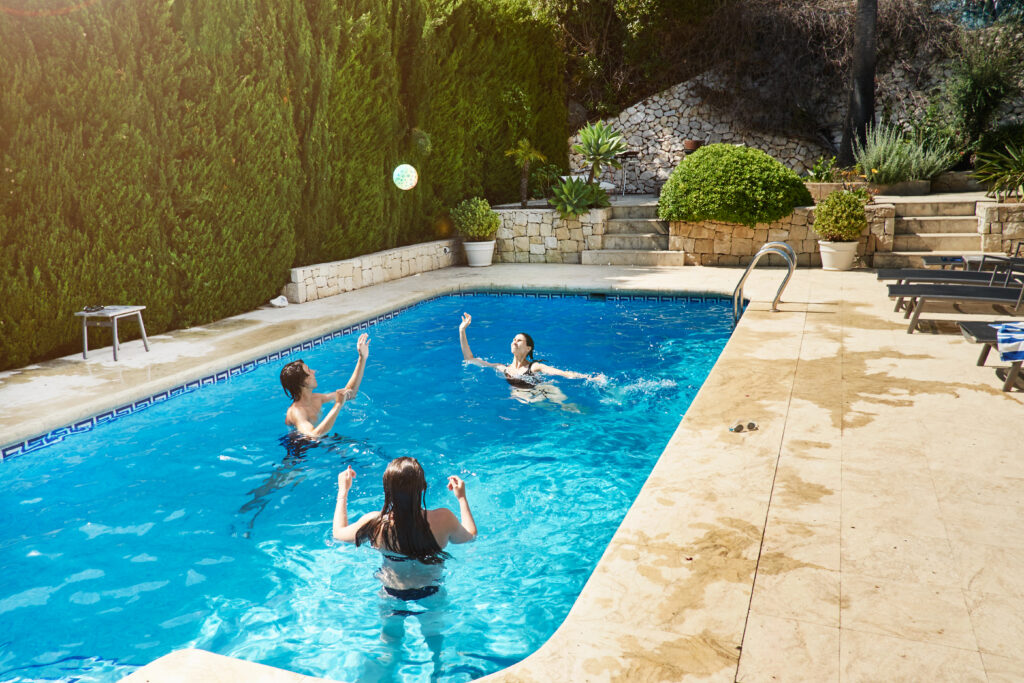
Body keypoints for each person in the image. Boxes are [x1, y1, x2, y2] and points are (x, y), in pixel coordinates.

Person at [332, 457, 477, 597]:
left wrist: (343, 491)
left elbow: (338, 534)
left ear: (387, 489)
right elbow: (470, 537)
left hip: (392, 591)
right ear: (423, 487)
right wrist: (462, 498)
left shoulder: (375, 523)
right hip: (432, 590)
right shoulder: (443, 518)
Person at [457, 312, 598, 405]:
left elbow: (563, 373)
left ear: (528, 348)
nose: (514, 342)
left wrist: (589, 378)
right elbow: (469, 359)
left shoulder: (534, 367)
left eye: (519, 340)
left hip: (544, 391)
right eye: (513, 339)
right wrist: (462, 331)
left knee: (570, 408)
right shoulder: (503, 368)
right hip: (525, 397)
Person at [279, 333, 369, 438]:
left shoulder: (317, 398)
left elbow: (350, 393)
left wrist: (362, 358)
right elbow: (313, 435)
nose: (314, 371)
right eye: (309, 371)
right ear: (303, 382)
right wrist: (338, 405)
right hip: (301, 447)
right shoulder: (296, 412)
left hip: (319, 441)